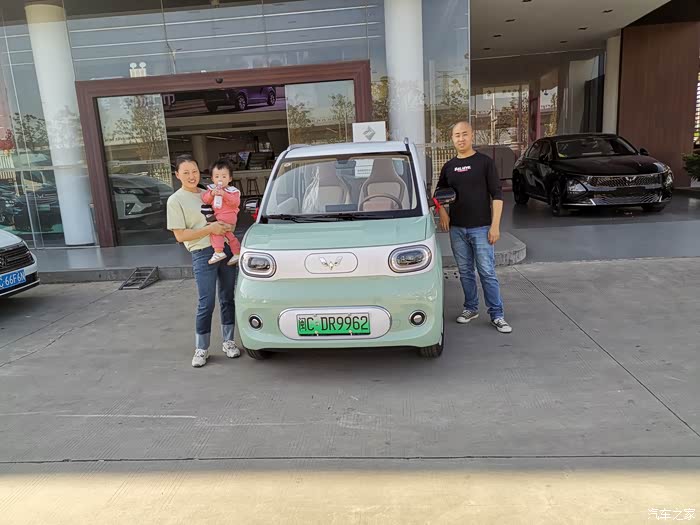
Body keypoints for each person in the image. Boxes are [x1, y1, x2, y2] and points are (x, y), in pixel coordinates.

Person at [435, 121, 512, 334]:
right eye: (457, 135)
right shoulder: (449, 166)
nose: (461, 138)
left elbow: (497, 195)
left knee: (487, 272)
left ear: (471, 136)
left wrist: (495, 226)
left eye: (464, 134)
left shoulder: (484, 163)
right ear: (452, 139)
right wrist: (442, 211)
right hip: (457, 229)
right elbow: (438, 194)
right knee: (465, 272)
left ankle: (497, 314)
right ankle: (471, 308)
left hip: (482, 228)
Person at [167, 155, 241, 367]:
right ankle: (201, 348)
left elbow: (229, 216)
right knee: (206, 302)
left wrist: (227, 226)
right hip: (202, 253)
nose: (191, 176)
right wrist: (210, 229)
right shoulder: (175, 200)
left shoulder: (208, 192)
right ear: (177, 175)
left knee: (227, 298)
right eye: (186, 172)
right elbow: (180, 236)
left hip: (225, 249)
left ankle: (229, 342)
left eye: (194, 171)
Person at [201, 159, 241, 266]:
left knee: (216, 230)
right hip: (222, 216)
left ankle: (218, 251)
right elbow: (205, 199)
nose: (220, 179)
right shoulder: (211, 189)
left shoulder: (233, 191)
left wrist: (224, 194)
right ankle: (237, 252)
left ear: (230, 178)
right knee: (229, 235)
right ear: (212, 178)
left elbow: (235, 203)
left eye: (224, 176)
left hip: (227, 215)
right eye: (217, 176)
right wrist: (211, 194)